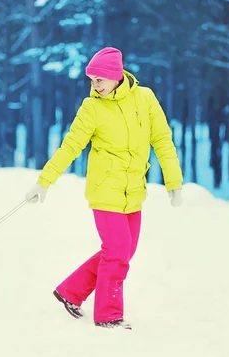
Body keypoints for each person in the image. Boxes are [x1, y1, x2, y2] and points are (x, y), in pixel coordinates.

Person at [25, 47, 183, 329]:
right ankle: (109, 316)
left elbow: (162, 139)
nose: (94, 86)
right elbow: (71, 146)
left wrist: (174, 181)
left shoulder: (145, 99)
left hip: (133, 190)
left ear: (116, 76)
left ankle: (70, 291)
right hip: (104, 190)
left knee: (121, 251)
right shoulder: (92, 108)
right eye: (91, 80)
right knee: (118, 251)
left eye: (99, 80)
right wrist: (44, 182)